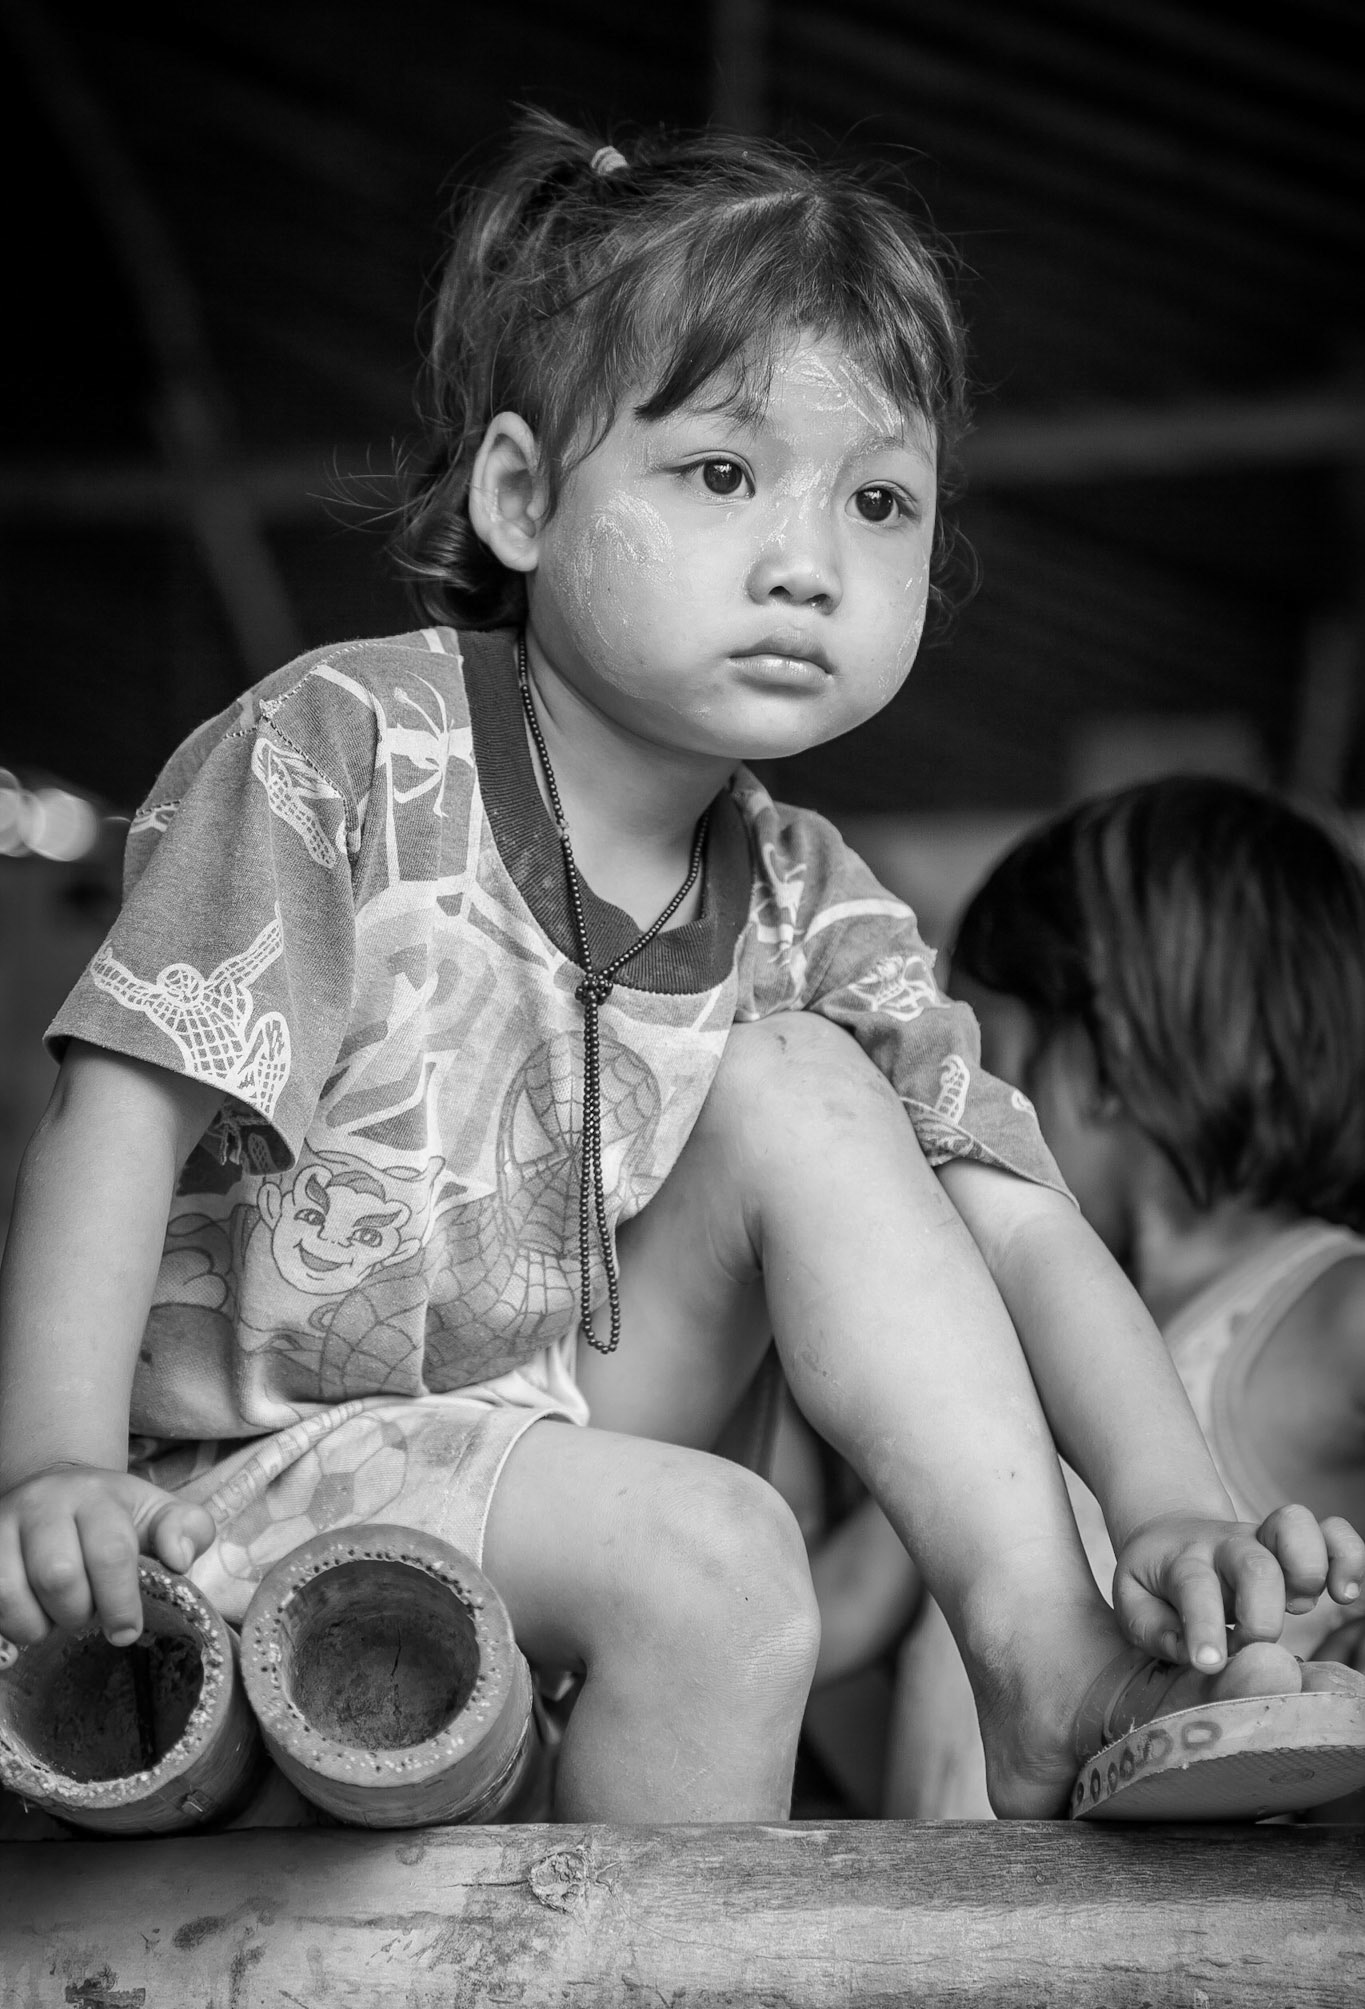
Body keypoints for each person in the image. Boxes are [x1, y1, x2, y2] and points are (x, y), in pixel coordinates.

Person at [1, 117, 1362, 1828]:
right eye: (722, 473)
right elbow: (122, 1104)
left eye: (879, 501)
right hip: (245, 1474)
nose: (808, 560)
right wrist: (51, 1467)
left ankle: (1045, 1656)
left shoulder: (807, 893)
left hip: (558, 1443)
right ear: (519, 497)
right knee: (726, 1565)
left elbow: (1018, 1220)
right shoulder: (341, 748)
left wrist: (1167, 1505)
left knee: (809, 1085)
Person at [864, 776, 1365, 1817]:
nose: (959, 1121)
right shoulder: (1004, 1343)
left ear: (1107, 1050)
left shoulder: (1330, 1303)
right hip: (949, 1903)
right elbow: (851, 1598)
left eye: (988, 1062)